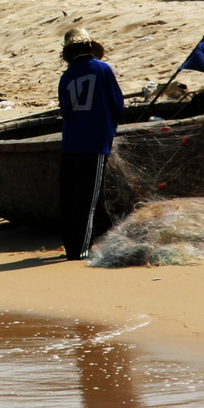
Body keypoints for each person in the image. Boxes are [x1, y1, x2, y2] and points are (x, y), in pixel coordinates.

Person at [57, 26, 125, 261]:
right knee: (89, 197)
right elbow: (117, 105)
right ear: (89, 47)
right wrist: (109, 130)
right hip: (94, 141)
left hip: (71, 141)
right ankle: (80, 250)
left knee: (71, 196)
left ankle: (70, 245)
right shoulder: (103, 69)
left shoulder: (66, 76)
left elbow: (66, 111)